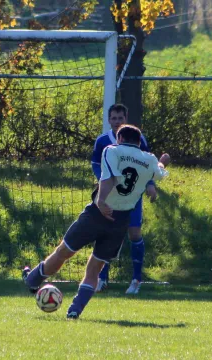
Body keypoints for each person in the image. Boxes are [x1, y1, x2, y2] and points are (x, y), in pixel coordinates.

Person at [24, 124, 170, 319]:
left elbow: (109, 177)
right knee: (95, 267)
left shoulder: (112, 150)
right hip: (120, 221)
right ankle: (75, 310)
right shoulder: (149, 159)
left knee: (64, 252)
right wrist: (163, 161)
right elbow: (159, 171)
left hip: (97, 214)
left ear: (119, 138)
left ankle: (33, 280)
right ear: (138, 142)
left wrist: (101, 201)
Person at [91, 104, 168, 294]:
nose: (117, 121)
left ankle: (136, 279)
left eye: (120, 118)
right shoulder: (103, 142)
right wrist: (105, 183)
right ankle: (101, 278)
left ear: (126, 119)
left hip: (132, 197)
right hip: (110, 196)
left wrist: (150, 185)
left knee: (134, 233)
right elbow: (95, 165)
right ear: (109, 120)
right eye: (114, 118)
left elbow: (148, 165)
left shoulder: (137, 139)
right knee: (106, 233)